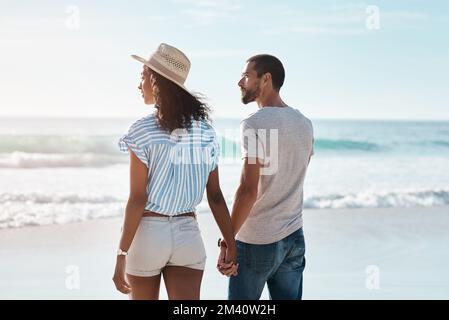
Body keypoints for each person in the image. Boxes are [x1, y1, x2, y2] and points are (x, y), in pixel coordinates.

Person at [112, 43, 238, 300]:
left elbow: (137, 199)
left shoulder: (141, 131)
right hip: (188, 235)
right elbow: (215, 196)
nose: (139, 85)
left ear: (156, 82)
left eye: (143, 77)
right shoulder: (205, 132)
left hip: (148, 234)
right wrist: (231, 246)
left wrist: (121, 255)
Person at [218, 54, 314, 300]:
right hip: (294, 238)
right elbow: (294, 175)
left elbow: (248, 190)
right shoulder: (304, 123)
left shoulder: (254, 123)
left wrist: (228, 241)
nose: (240, 82)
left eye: (247, 75)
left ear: (266, 79)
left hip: (255, 241)